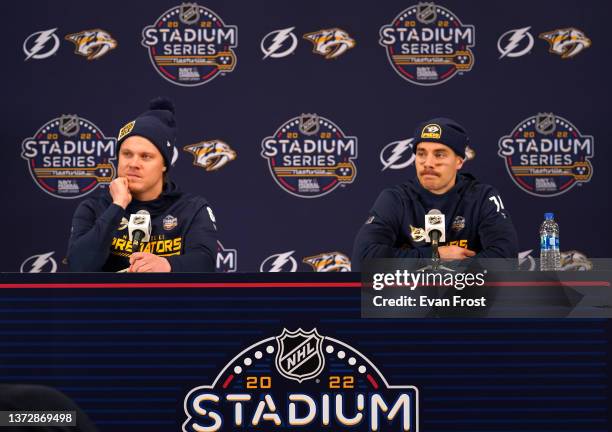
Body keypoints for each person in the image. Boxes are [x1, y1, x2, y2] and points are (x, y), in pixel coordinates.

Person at [67, 98, 218, 272]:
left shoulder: (191, 208)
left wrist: (168, 265)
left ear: (164, 164)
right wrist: (117, 206)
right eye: (127, 154)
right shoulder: (93, 208)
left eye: (146, 156)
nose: (133, 163)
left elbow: (205, 262)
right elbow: (78, 266)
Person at [352, 117, 518, 270]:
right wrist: (435, 256)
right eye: (421, 154)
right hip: (411, 299)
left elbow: (505, 258)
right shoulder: (395, 198)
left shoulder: (482, 197)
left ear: (459, 161)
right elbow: (363, 261)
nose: (428, 163)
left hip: (466, 298)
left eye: (439, 154)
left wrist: (451, 283)